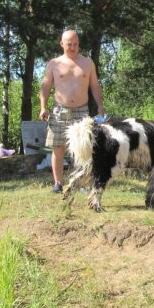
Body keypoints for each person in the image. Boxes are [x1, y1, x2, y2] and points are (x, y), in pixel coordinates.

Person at [39, 29, 105, 193]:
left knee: (81, 149)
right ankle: (58, 183)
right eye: (69, 44)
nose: (73, 47)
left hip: (82, 111)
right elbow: (46, 87)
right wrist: (43, 107)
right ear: (62, 44)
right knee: (58, 148)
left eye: (76, 44)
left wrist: (100, 106)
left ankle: (80, 183)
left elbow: (95, 86)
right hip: (59, 110)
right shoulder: (54, 64)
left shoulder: (88, 63)